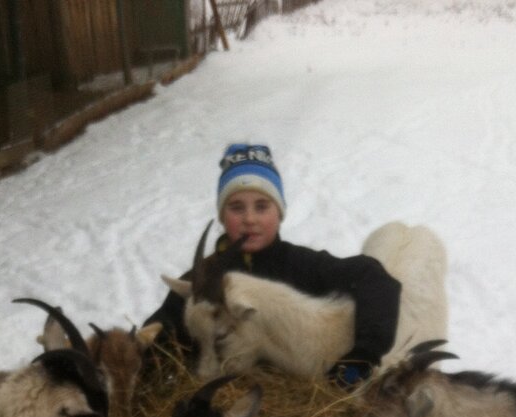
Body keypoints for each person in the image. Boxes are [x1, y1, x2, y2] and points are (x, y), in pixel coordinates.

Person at [144, 143, 402, 388]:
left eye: (262, 206)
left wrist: (365, 353)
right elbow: (161, 332)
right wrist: (134, 348)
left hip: (296, 406)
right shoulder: (201, 284)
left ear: (279, 212)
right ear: (222, 216)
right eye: (236, 208)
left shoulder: (301, 266)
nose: (250, 219)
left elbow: (373, 279)